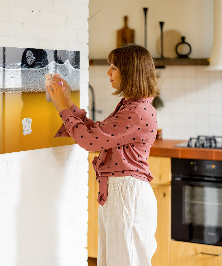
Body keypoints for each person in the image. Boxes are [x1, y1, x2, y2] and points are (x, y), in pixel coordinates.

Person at [46, 44, 159, 266]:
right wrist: (68, 103)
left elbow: (90, 141)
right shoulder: (132, 106)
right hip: (121, 193)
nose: (108, 72)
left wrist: (61, 107)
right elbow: (98, 133)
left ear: (130, 71)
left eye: (114, 67)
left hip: (127, 195)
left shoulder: (136, 111)